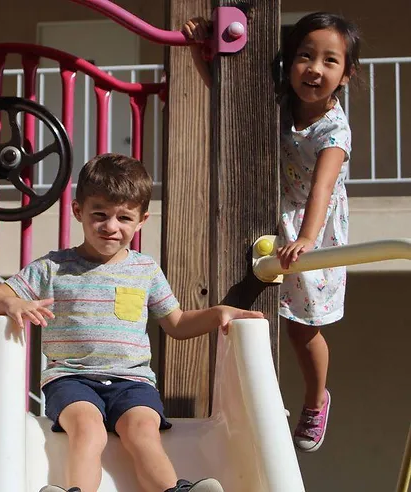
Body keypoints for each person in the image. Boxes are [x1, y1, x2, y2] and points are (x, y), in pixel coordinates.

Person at [0, 153, 263, 492]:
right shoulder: (53, 267)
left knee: (142, 430)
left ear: (141, 220)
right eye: (99, 214)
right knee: (88, 429)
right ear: (78, 211)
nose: (111, 227)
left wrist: (219, 313)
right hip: (70, 378)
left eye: (124, 217)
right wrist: (13, 302)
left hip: (133, 381)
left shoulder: (145, 270)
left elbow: (177, 323)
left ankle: (174, 490)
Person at [185, 12, 360, 452]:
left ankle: (317, 398)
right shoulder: (279, 101)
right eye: (305, 56)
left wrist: (305, 237)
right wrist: (197, 52)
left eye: (329, 61)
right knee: (246, 309)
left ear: (346, 74)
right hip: (267, 217)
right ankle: (252, 404)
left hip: (312, 227)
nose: (315, 69)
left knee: (302, 328)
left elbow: (321, 189)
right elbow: (228, 101)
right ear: (289, 61)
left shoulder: (334, 129)